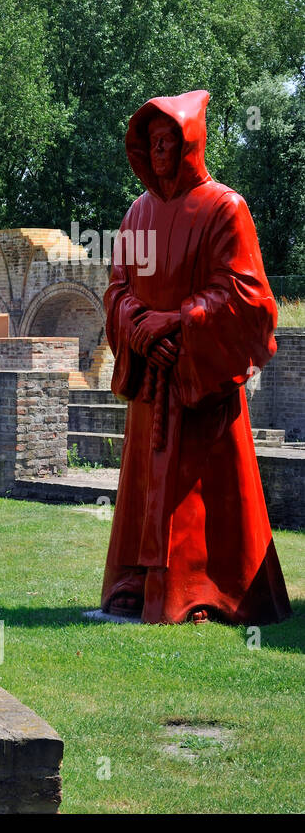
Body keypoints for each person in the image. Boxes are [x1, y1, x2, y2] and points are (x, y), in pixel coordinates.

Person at [101, 89, 292, 625]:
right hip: (152, 379)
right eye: (153, 143)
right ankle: (140, 584)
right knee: (147, 485)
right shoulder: (137, 214)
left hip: (196, 382)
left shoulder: (224, 208)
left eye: (169, 141)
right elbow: (117, 288)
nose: (160, 152)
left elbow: (246, 295)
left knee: (204, 490)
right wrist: (137, 328)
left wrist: (181, 321)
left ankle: (208, 588)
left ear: (190, 144)